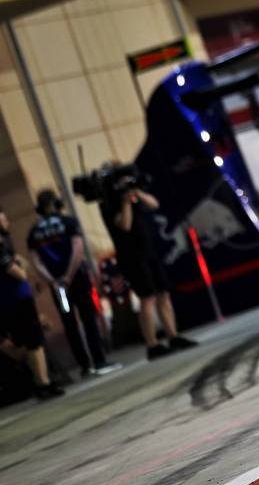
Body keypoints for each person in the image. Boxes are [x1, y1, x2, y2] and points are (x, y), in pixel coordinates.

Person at [100, 170, 197, 359]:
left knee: (163, 293)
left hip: (149, 253)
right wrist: (125, 202)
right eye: (124, 183)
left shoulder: (136, 199)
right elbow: (125, 225)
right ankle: (152, 344)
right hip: (132, 257)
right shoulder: (109, 205)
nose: (128, 186)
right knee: (147, 298)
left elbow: (154, 204)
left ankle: (173, 336)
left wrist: (137, 193)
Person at [28, 191, 119, 377]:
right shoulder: (68, 222)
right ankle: (99, 361)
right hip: (76, 280)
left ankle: (85, 365)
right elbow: (77, 249)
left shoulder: (34, 231)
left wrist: (54, 280)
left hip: (58, 287)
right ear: (57, 203)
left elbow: (36, 261)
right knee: (88, 318)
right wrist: (68, 275)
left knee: (69, 323)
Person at [0, 207, 64, 399]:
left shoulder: (6, 245)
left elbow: (23, 264)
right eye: (3, 220)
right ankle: (43, 383)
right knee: (32, 342)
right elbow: (19, 272)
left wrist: (20, 263)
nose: (7, 223)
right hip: (15, 302)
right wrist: (19, 264)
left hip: (19, 299)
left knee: (31, 341)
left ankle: (42, 380)